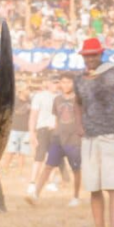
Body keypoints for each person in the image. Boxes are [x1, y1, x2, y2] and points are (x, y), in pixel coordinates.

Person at [74, 37, 114, 227]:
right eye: (86, 56)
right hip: (89, 138)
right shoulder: (79, 79)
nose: (89, 59)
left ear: (100, 54)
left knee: (113, 186)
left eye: (92, 55)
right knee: (94, 186)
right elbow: (77, 104)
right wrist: (79, 124)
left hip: (113, 135)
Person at [28, 72, 83, 205]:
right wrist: (56, 130)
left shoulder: (79, 99)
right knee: (48, 166)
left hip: (74, 138)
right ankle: (35, 194)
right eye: (63, 82)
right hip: (58, 138)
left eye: (69, 82)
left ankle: (75, 197)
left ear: (74, 83)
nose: (65, 85)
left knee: (76, 169)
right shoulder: (57, 100)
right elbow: (57, 117)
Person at [27, 76, 64, 193]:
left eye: (58, 82)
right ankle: (32, 182)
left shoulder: (61, 97)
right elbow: (33, 115)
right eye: (54, 82)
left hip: (57, 130)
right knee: (39, 157)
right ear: (48, 83)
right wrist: (32, 132)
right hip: (43, 129)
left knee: (54, 157)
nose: (56, 85)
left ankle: (51, 182)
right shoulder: (40, 96)